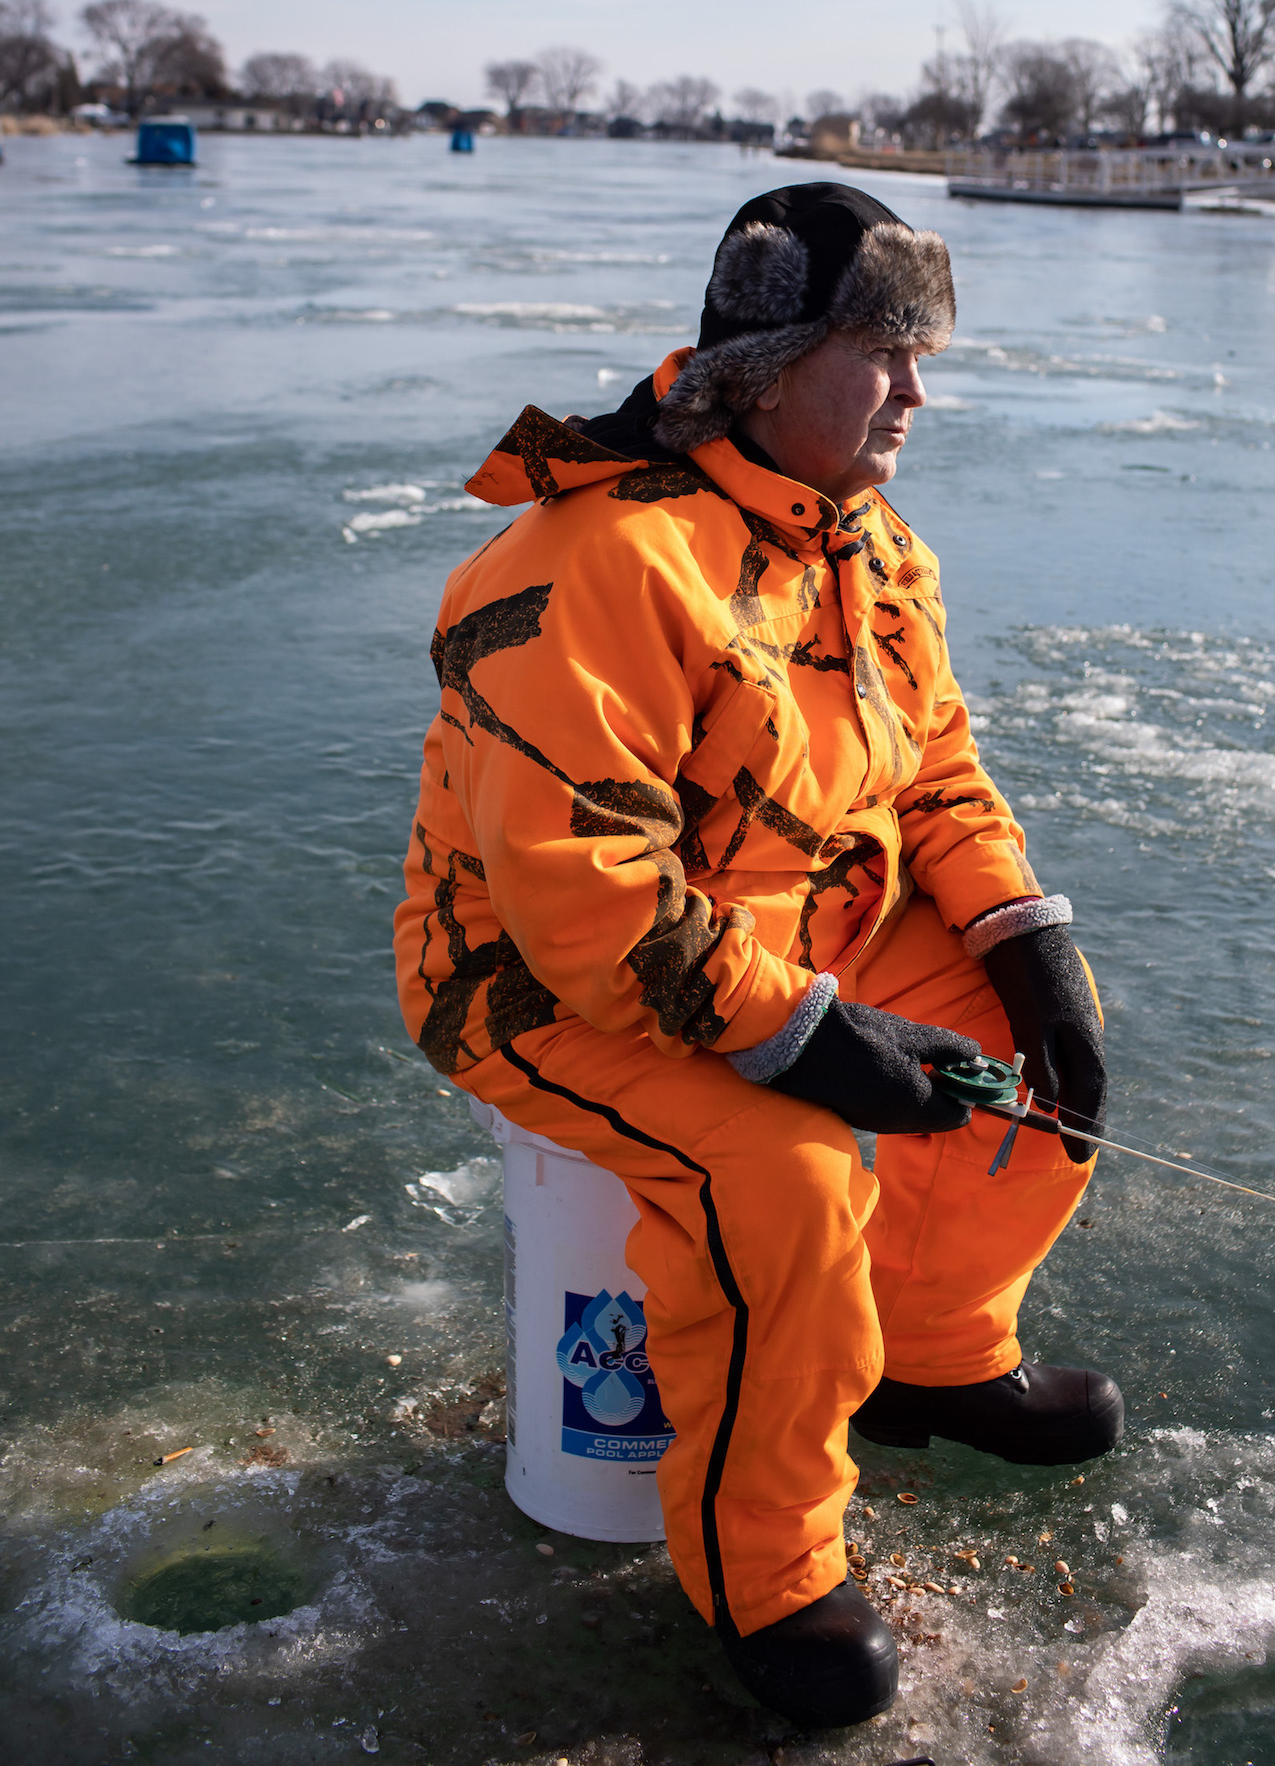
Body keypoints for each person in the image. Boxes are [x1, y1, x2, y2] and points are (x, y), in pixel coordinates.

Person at [394, 183, 1121, 1728]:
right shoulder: (596, 565)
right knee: (784, 1182)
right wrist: (800, 1034)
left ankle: (930, 1353)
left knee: (1034, 1051)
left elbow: (933, 774)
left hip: (787, 936)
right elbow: (580, 893)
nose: (920, 391)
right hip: (534, 985)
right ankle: (766, 1571)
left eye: (922, 356)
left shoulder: (871, 546)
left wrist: (1018, 934)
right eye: (888, 354)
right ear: (774, 366)